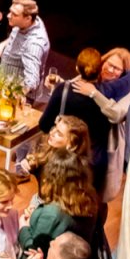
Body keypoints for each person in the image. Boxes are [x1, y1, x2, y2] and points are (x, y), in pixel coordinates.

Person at [37, 49, 110, 192]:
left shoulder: (63, 90)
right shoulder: (105, 98)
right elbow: (104, 131)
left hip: (62, 159)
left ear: (76, 68)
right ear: (100, 70)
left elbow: (44, 124)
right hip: (89, 164)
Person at [17, 149, 98, 256]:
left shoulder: (52, 213)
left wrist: (24, 228)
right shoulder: (88, 199)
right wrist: (36, 216)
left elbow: (34, 250)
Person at [0, 0, 51, 103]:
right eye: (10, 11)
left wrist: (11, 98)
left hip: (17, 97)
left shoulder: (34, 44)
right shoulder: (33, 21)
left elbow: (32, 81)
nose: (8, 15)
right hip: (7, 83)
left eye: (14, 14)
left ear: (27, 18)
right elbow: (19, 32)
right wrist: (3, 44)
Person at [20, 115, 92, 186]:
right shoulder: (51, 149)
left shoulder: (70, 172)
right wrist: (29, 166)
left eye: (59, 134)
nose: (51, 133)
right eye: (55, 128)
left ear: (72, 145)